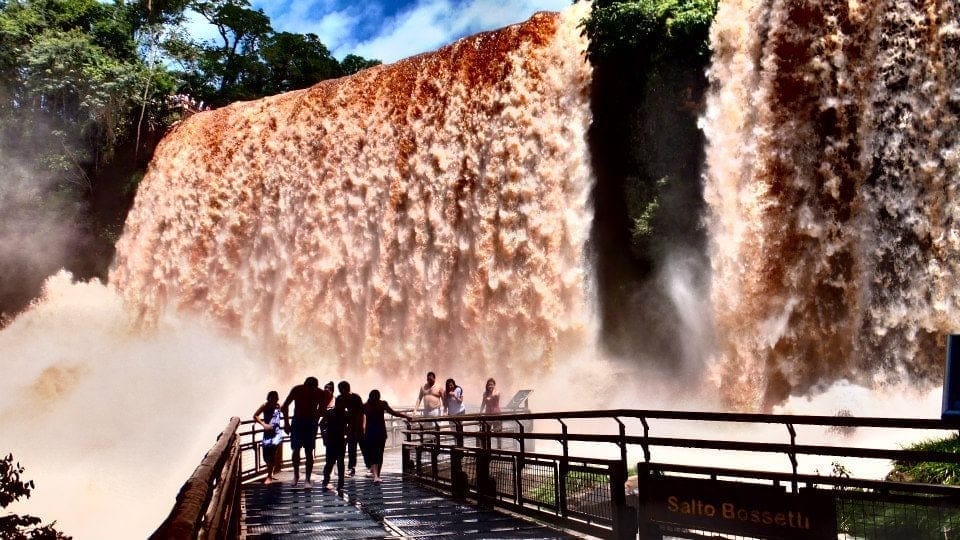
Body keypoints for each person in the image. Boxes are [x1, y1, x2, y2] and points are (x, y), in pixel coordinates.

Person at [281, 377, 332, 488]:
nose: (310, 390)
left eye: (313, 388)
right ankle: (296, 475)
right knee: (296, 449)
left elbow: (322, 410)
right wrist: (286, 423)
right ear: (305, 385)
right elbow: (284, 406)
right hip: (297, 423)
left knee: (309, 452)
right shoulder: (297, 390)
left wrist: (315, 419)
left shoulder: (319, 393)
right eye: (309, 388)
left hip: (309, 424)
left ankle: (307, 479)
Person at [363, 389, 410, 484]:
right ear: (379, 396)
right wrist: (405, 416)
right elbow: (393, 413)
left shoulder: (365, 406)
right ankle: (377, 476)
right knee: (379, 454)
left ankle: (375, 475)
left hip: (370, 433)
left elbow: (358, 417)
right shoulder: (382, 404)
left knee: (373, 454)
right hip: (380, 433)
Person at [253, 390, 285, 484]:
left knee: (272, 454)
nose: (273, 400)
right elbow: (255, 415)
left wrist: (287, 423)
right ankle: (270, 471)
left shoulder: (278, 406)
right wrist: (264, 425)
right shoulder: (265, 406)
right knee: (266, 456)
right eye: (272, 398)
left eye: (275, 398)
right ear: (269, 398)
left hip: (276, 433)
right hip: (267, 433)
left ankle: (269, 475)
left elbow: (284, 411)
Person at [337, 380, 365, 477]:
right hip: (347, 427)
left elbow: (361, 412)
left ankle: (352, 468)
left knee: (354, 448)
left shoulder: (353, 398)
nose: (340, 391)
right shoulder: (341, 398)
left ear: (343, 389)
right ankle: (350, 468)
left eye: (340, 389)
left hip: (354, 426)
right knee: (350, 448)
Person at [320, 398, 347, 493]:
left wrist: (324, 437)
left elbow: (322, 424)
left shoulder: (335, 413)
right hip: (335, 440)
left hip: (334, 440)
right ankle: (338, 483)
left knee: (332, 462)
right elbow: (322, 424)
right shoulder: (336, 413)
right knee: (335, 462)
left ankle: (331, 482)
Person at [479, 378, 502, 449]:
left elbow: (496, 395)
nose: (490, 386)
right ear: (487, 386)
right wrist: (480, 412)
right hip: (488, 415)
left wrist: (490, 396)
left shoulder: (497, 392)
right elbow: (483, 403)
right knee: (487, 432)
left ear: (494, 385)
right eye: (489, 385)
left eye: (492, 385)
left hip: (496, 415)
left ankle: (499, 449)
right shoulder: (485, 393)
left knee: (498, 433)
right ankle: (488, 449)